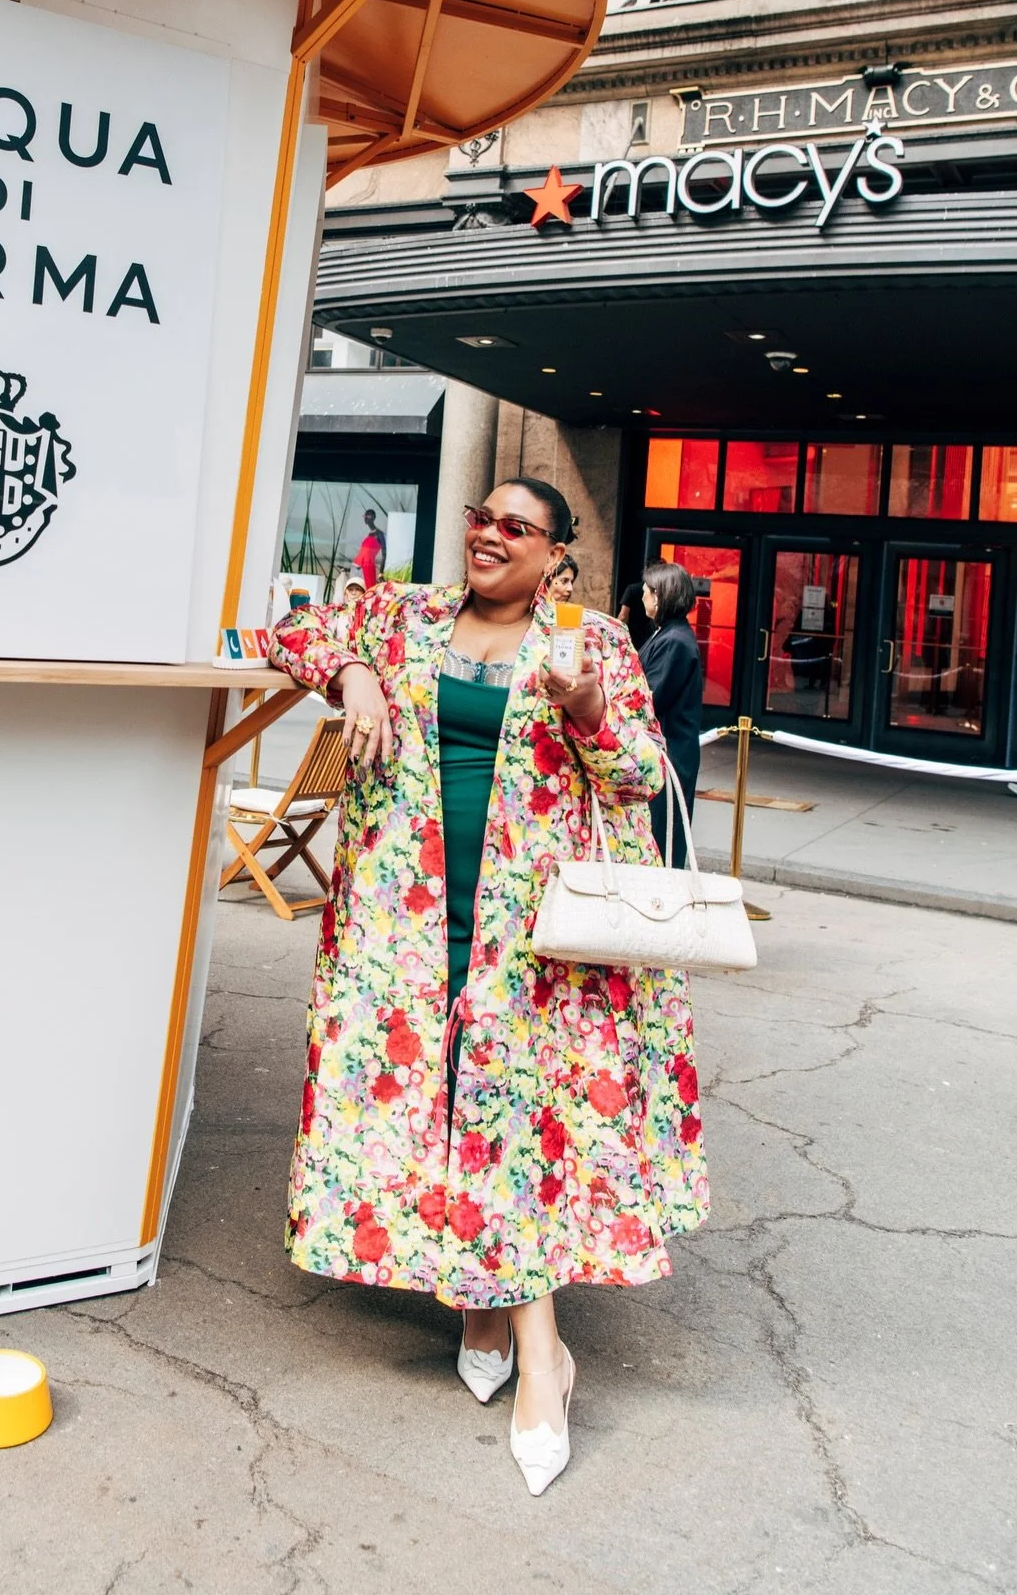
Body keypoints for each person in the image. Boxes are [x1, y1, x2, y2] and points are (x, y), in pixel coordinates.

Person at [268, 480, 708, 1497]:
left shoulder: (587, 638)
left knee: (509, 1115)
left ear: (556, 553)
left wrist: (591, 710)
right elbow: (281, 627)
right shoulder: (404, 615)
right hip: (402, 927)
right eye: (480, 516)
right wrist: (351, 672)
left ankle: (542, 1361)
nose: (488, 535)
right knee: (436, 1105)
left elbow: (641, 776)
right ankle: (478, 1305)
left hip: (530, 934)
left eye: (517, 526)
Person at [638, 561, 703, 870]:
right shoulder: (668, 634)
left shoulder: (674, 641)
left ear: (660, 596)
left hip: (670, 751)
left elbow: (650, 697)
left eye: (647, 591)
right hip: (668, 748)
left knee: (663, 834)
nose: (642, 597)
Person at [617, 577, 654, 652]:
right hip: (651, 633)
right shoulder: (658, 590)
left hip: (633, 634)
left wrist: (617, 633)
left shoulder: (632, 589)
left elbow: (623, 616)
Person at [355, 508, 386, 589]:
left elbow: (384, 554)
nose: (366, 518)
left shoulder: (379, 533)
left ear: (373, 517)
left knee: (370, 590)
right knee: (361, 590)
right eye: (365, 516)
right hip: (361, 567)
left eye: (368, 515)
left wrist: (381, 572)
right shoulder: (370, 534)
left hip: (369, 566)